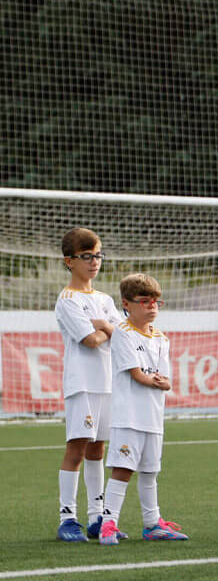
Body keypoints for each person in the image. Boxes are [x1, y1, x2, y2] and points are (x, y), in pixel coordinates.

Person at [98, 274, 188, 544]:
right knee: (123, 470)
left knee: (150, 472)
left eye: (156, 302)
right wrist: (156, 382)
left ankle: (152, 524)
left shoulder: (161, 337)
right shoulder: (123, 333)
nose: (152, 306)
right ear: (127, 304)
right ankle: (108, 523)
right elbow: (137, 375)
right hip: (129, 417)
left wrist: (163, 383)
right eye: (145, 301)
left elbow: (167, 380)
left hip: (153, 417)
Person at [54, 228, 123, 542]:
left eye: (97, 255)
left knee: (98, 449)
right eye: (86, 256)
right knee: (77, 449)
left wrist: (106, 327)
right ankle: (67, 517)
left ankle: (98, 517)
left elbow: (120, 335)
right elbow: (90, 340)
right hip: (81, 383)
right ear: (70, 261)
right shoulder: (68, 299)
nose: (94, 262)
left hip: (108, 384)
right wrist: (107, 330)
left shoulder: (105, 299)